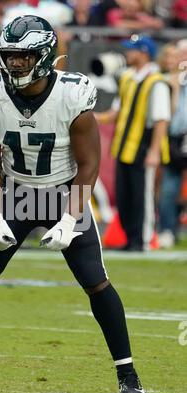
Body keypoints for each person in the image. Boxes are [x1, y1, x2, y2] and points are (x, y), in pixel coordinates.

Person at [0, 15, 145, 393]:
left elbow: (89, 165)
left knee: (95, 280)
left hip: (62, 192)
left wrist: (70, 217)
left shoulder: (72, 94)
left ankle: (128, 375)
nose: (15, 64)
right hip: (15, 194)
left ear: (44, 56)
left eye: (24, 57)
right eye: (10, 56)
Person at [96, 34, 171, 251]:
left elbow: (161, 119)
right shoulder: (128, 77)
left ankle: (143, 240)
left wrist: (155, 151)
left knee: (142, 196)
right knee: (125, 196)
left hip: (144, 146)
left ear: (144, 53)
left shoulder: (156, 82)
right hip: (124, 147)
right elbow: (116, 112)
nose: (128, 53)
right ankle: (130, 239)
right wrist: (93, 117)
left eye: (132, 50)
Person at [158, 40, 187, 247]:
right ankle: (167, 229)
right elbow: (170, 112)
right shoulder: (164, 81)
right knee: (169, 186)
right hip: (174, 137)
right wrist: (175, 87)